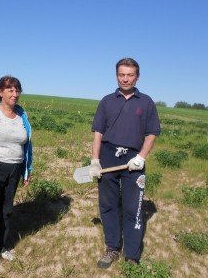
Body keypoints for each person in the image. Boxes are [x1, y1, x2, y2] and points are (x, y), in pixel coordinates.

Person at [89, 57, 161, 268]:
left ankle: (132, 256)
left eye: (130, 75)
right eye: (122, 74)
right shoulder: (107, 101)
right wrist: (95, 160)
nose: (125, 79)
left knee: (133, 209)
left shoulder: (146, 102)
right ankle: (112, 248)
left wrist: (141, 157)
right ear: (117, 76)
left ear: (137, 77)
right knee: (108, 206)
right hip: (108, 156)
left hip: (133, 160)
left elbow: (151, 134)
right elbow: (98, 133)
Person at [0, 76, 33, 274]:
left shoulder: (22, 114)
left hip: (16, 168)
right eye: (10, 90)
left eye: (17, 90)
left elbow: (27, 145)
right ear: (0, 92)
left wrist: (27, 169)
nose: (14, 94)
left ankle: (1, 247)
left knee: (6, 210)